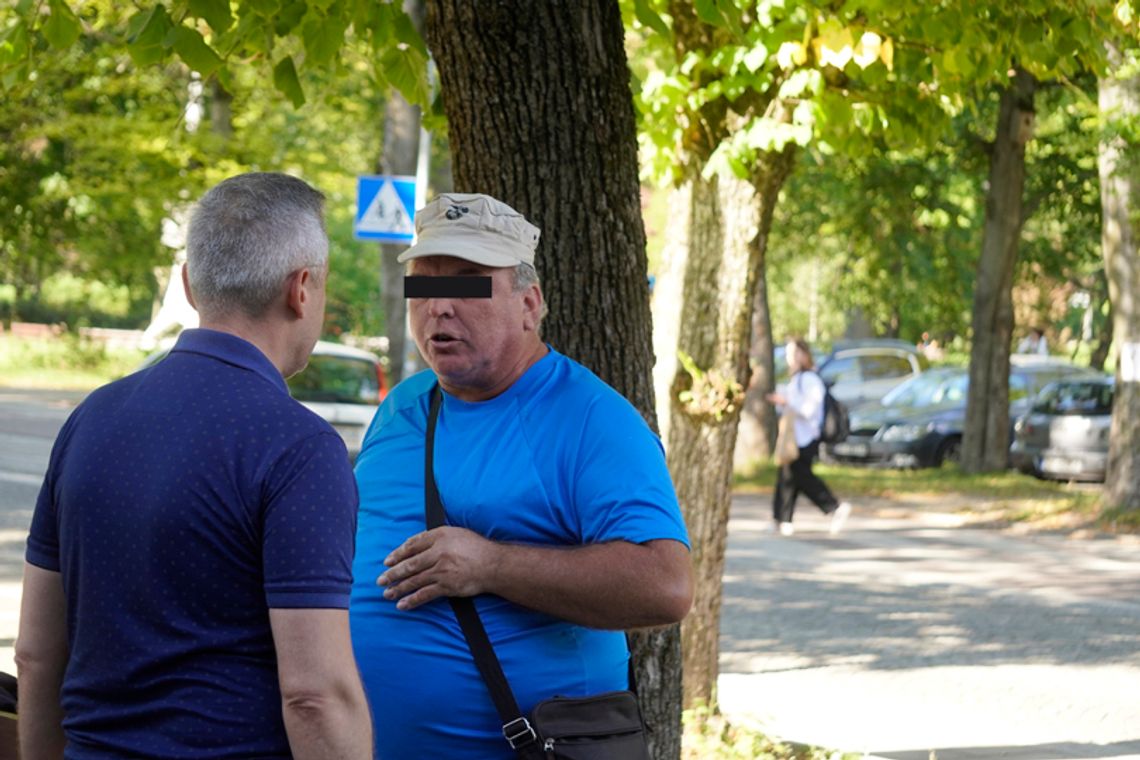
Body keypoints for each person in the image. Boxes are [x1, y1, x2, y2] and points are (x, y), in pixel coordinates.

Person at [17, 173, 372, 759]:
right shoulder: (298, 447)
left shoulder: (92, 418)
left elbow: (34, 653)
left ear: (188, 282)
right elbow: (315, 695)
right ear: (302, 289)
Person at [349, 192, 693, 758]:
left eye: (468, 284)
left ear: (529, 304)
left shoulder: (591, 419)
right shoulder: (403, 406)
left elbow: (666, 587)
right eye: (424, 285)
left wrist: (491, 565)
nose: (439, 306)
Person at [765, 338, 851, 536]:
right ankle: (782, 518)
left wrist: (787, 401)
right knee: (787, 475)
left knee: (801, 476)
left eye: (792, 354)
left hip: (806, 437)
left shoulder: (810, 379)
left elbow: (809, 409)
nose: (788, 359)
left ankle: (833, 506)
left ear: (802, 355)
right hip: (795, 436)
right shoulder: (798, 379)